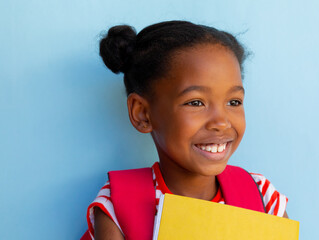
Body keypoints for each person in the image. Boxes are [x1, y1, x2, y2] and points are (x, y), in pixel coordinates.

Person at [82, 20, 289, 240]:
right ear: (142, 113)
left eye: (234, 102)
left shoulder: (262, 196)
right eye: (196, 102)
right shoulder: (118, 204)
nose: (221, 122)